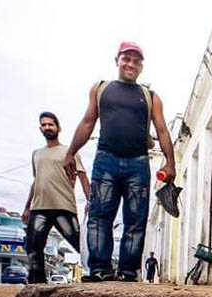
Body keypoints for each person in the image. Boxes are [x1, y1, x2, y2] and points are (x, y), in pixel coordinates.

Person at [64, 41, 176, 282]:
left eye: (136, 61)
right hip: (106, 160)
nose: (130, 64)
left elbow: (163, 130)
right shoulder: (101, 89)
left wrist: (170, 163)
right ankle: (99, 269)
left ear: (141, 67)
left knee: (135, 218)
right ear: (117, 60)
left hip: (138, 163)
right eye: (126, 59)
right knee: (99, 215)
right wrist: (70, 152)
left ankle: (127, 271)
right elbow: (87, 122)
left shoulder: (150, 96)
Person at [22, 112, 90, 284]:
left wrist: (91, 201)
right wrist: (27, 207)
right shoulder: (36, 154)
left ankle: (98, 274)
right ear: (40, 129)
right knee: (33, 247)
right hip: (39, 208)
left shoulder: (70, 152)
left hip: (63, 207)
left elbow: (83, 177)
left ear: (58, 128)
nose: (47, 128)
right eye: (43, 125)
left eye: (50, 124)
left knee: (81, 244)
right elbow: (36, 180)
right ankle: (36, 285)